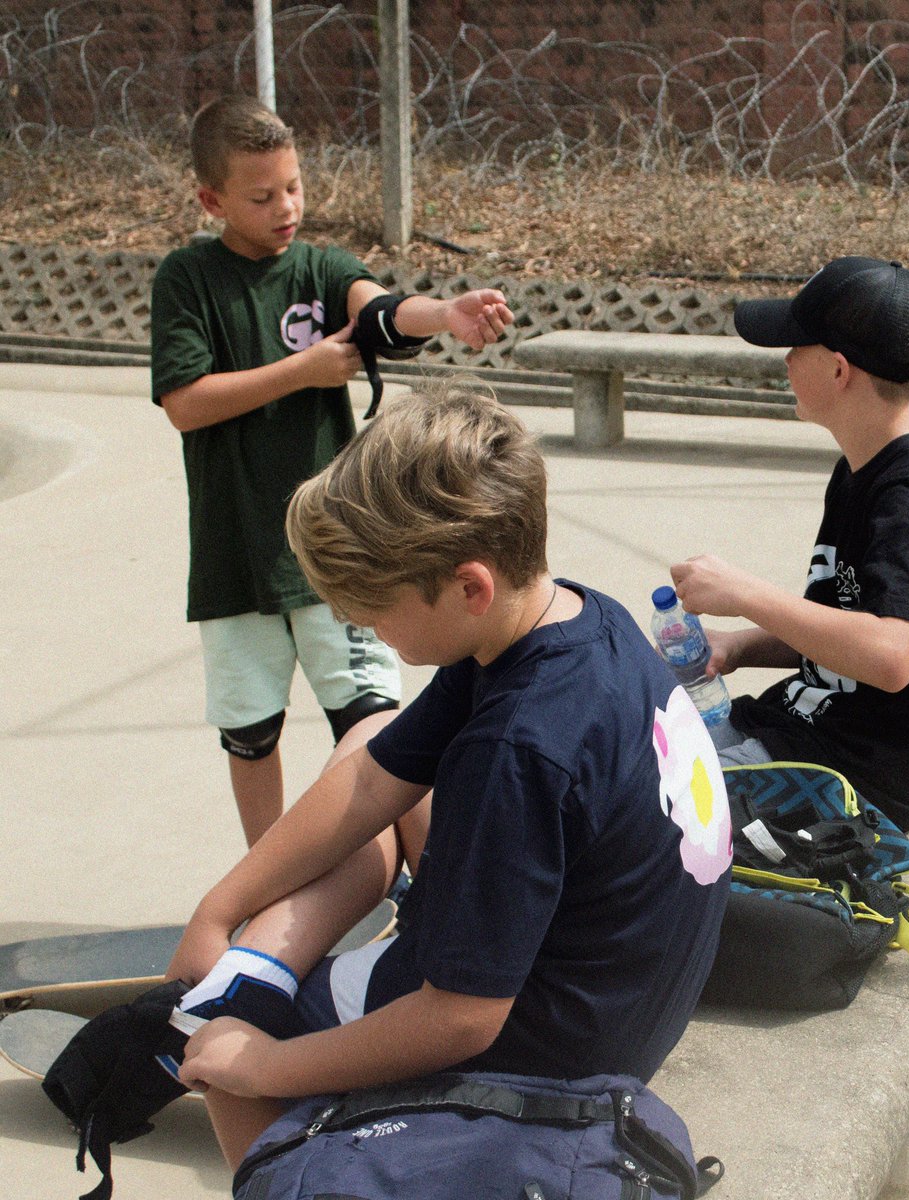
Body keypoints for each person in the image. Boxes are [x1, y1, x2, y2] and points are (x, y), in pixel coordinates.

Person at [163, 382, 732, 1171]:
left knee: (217, 1053)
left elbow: (462, 1019)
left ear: (469, 586)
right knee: (370, 733)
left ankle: (295, 1165)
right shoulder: (569, 615)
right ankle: (256, 960)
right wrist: (218, 908)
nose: (362, 625)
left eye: (374, 607)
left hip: (545, 1059)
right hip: (624, 999)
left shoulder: (517, 751)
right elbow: (375, 775)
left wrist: (263, 1065)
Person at [151, 94, 514, 845]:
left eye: (294, 187)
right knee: (250, 734)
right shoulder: (188, 279)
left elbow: (379, 311)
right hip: (235, 555)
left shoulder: (321, 268)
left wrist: (444, 312)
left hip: (340, 549)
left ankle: (430, 880)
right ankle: (268, 876)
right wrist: (303, 370)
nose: (286, 207)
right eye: (262, 196)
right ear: (210, 198)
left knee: (378, 724)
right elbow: (186, 403)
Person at [670, 256, 909, 832]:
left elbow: (891, 656)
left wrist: (745, 592)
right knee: (611, 734)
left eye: (798, 346)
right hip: (798, 736)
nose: (787, 360)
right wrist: (740, 645)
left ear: (839, 370)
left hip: (848, 785)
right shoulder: (858, 473)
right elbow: (842, 624)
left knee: (616, 801)